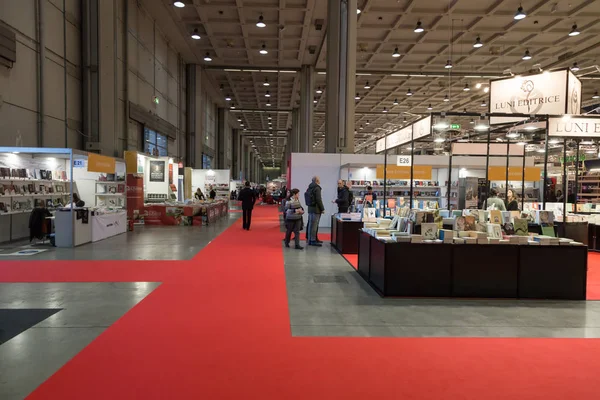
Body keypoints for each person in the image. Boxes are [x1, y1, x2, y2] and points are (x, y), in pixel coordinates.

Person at [305, 176, 325, 247]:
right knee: (314, 225)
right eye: (318, 179)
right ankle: (313, 240)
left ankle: (310, 239)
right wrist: (322, 209)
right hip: (316, 209)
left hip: (310, 208)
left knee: (310, 224)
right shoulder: (317, 188)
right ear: (316, 180)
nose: (319, 180)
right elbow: (318, 199)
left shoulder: (309, 188)